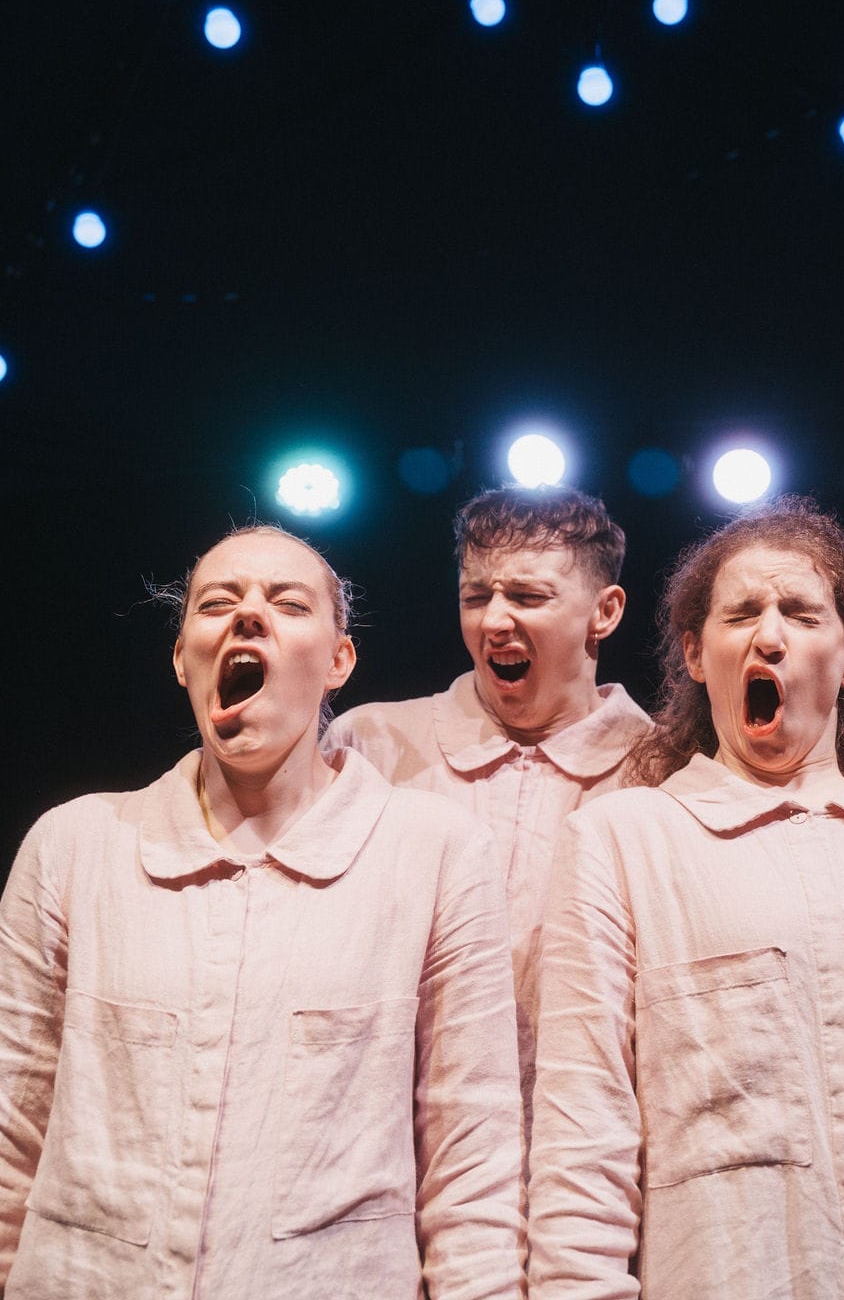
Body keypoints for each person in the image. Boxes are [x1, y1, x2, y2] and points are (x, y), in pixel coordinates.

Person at [0, 525, 524, 1299]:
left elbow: (470, 1160)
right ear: (183, 660)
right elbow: (14, 1126)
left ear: (339, 661)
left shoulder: (436, 854)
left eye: (287, 603)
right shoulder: (75, 847)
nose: (248, 616)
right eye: (217, 603)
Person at [528, 497, 844, 1299]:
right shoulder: (624, 842)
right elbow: (582, 1140)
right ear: (694, 654)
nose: (769, 635)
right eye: (741, 614)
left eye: (799, 612)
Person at [321, 487, 652, 1131]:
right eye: (477, 596)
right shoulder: (369, 748)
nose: (494, 620)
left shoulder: (668, 773)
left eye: (528, 597)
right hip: (391, 1156)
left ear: (605, 612)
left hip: (599, 1156)